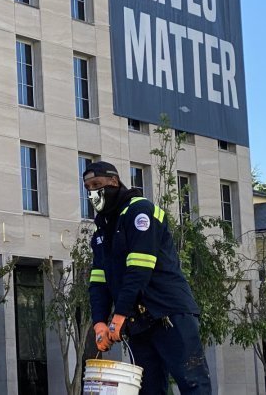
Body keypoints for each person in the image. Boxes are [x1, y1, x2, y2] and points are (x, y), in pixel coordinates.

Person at [84, 161, 212, 394]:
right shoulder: (102, 230)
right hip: (138, 322)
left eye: (97, 184)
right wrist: (100, 322)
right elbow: (98, 282)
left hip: (168, 312)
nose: (93, 192)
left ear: (114, 181)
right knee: (148, 389)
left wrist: (119, 314)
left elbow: (140, 268)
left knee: (193, 383)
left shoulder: (140, 211)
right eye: (88, 187)